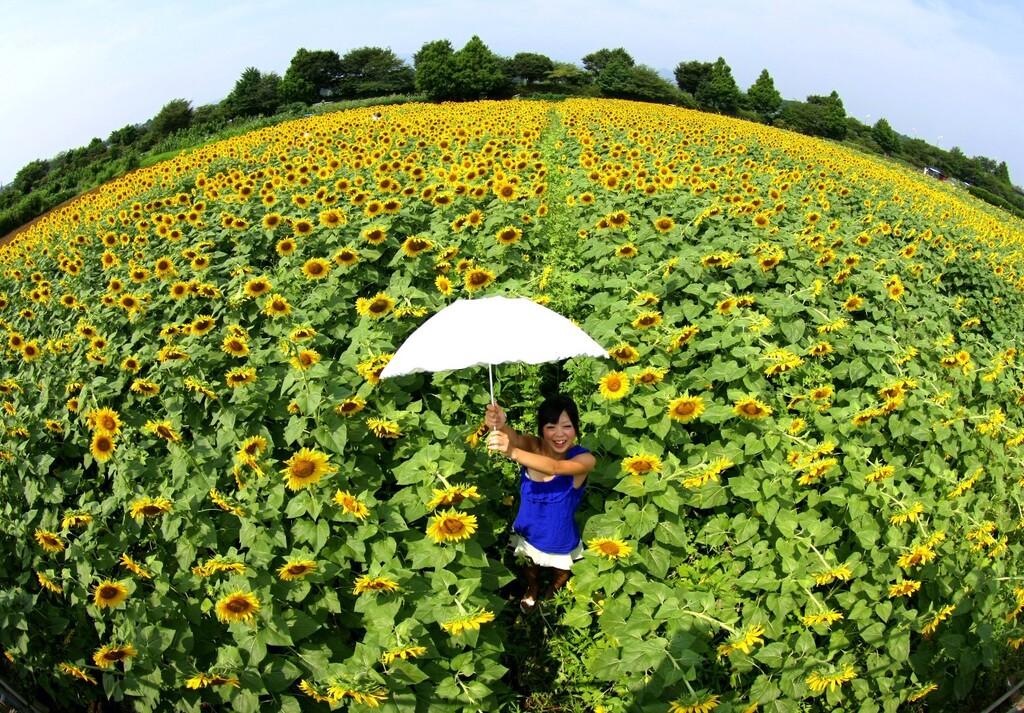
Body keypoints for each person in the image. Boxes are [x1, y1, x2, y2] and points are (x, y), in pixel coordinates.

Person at [485, 395, 596, 612]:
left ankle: (553, 590)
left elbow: (555, 468)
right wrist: (499, 422)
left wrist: (513, 453)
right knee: (529, 565)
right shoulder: (533, 446)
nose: (560, 434)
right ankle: (532, 588)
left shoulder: (584, 459)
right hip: (528, 528)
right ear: (541, 429)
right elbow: (514, 438)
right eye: (551, 427)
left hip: (559, 534)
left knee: (561, 570)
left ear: (576, 427)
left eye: (567, 426)